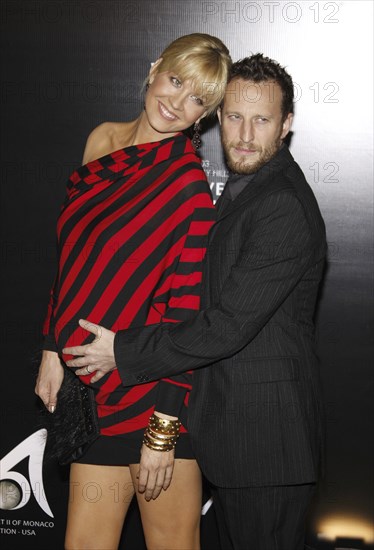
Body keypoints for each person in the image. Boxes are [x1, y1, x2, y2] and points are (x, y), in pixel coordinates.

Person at [64, 53, 327, 550]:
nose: (245, 134)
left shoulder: (281, 205)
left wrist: (122, 351)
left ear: (286, 124)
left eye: (262, 120)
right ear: (217, 119)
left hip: (265, 446)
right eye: (234, 116)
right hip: (232, 440)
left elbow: (225, 326)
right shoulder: (246, 188)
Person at [35, 33, 231, 550]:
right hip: (94, 396)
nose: (177, 102)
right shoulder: (101, 140)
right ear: (152, 69)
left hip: (153, 398)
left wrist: (162, 433)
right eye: (174, 80)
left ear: (205, 116)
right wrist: (52, 347)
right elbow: (71, 259)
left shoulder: (188, 186)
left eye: (197, 99)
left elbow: (187, 312)